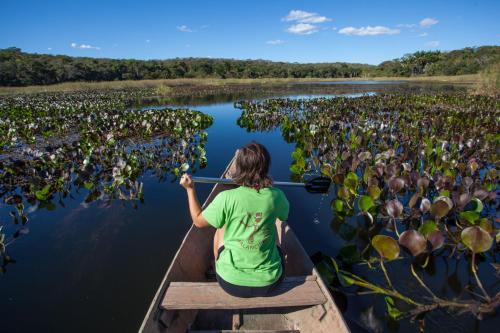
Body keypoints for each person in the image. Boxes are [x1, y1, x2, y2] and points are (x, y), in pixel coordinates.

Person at [179, 142, 290, 297]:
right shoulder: (276, 195)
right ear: (265, 168)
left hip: (230, 283)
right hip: (270, 283)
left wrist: (190, 189)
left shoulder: (226, 198)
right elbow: (284, 217)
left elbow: (198, 221)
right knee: (274, 227)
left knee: (220, 228)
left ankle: (217, 265)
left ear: (240, 169)